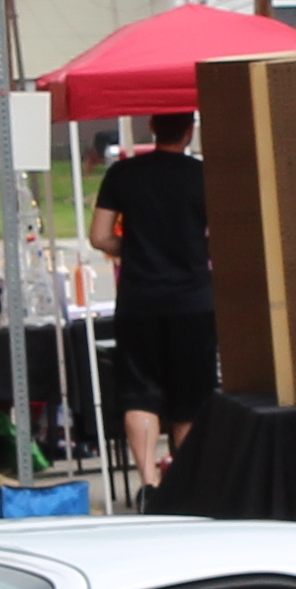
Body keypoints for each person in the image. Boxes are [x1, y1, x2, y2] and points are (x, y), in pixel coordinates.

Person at [90, 113, 216, 489]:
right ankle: (187, 483)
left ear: (153, 127)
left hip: (139, 300)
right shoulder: (203, 175)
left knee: (140, 392)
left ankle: (148, 481)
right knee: (191, 398)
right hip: (194, 301)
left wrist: (131, 251)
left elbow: (99, 236)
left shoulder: (124, 174)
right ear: (190, 130)